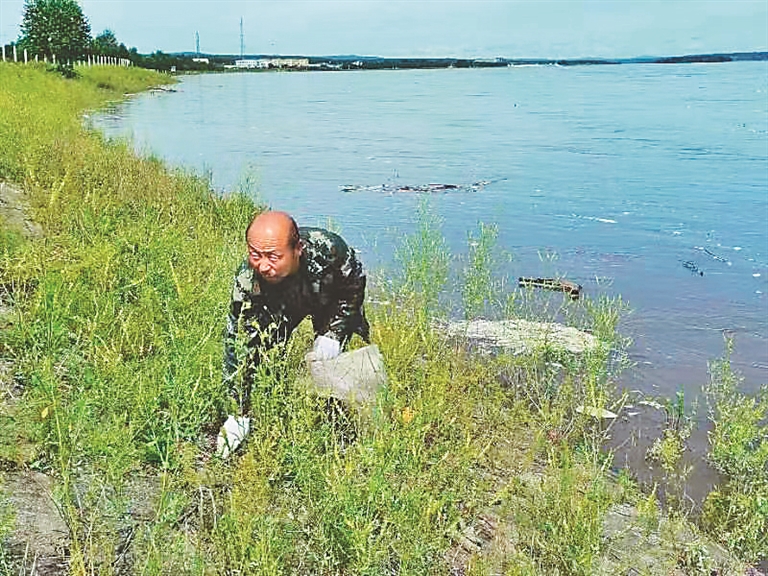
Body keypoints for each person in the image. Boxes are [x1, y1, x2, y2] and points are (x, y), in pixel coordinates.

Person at [218, 211, 370, 456]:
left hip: (324, 296)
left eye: (273, 256)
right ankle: (276, 411)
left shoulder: (329, 249)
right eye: (255, 255)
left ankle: (338, 418)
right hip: (278, 304)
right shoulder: (248, 281)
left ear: (297, 249)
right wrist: (237, 413)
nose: (263, 265)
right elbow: (239, 346)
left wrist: (334, 332)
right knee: (268, 357)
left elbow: (353, 289)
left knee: (336, 358)